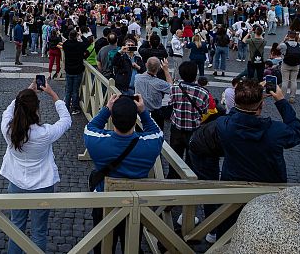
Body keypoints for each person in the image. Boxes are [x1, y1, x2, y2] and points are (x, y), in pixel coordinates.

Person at [84, 94, 164, 253]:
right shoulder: (150, 144)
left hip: (105, 202)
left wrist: (107, 108)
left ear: (112, 119)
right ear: (135, 121)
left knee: (102, 247)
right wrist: (143, 112)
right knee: (131, 245)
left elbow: (90, 127)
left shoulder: (97, 143)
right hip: (136, 203)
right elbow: (156, 131)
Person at [0, 81, 71, 254]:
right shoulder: (45, 133)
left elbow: (7, 112)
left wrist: (24, 93)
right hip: (42, 184)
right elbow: (66, 120)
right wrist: (53, 94)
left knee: (16, 228)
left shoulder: (9, 130)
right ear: (36, 110)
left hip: (16, 183)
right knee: (39, 231)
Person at [215, 79, 300, 183]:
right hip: (269, 183)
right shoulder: (277, 130)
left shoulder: (223, 124)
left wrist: (248, 95)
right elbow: (297, 133)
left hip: (232, 181)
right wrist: (281, 101)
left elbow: (233, 115)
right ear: (262, 105)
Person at [167, 61, 210, 177]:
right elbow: (205, 111)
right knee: (192, 160)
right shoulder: (203, 92)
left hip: (177, 127)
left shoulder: (174, 88)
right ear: (195, 75)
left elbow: (171, 103)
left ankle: (172, 179)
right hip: (193, 129)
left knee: (174, 158)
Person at [134, 56, 173, 129]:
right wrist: (166, 70)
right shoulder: (159, 83)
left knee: (140, 135)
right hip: (155, 114)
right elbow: (172, 88)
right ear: (159, 68)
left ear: (146, 65)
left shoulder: (137, 77)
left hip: (140, 111)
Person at [62, 30, 89, 114]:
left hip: (69, 69)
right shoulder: (80, 45)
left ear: (69, 36)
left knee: (68, 90)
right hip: (77, 70)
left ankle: (66, 106)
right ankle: (75, 108)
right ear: (76, 36)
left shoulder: (66, 44)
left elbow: (66, 42)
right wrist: (81, 37)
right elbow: (87, 44)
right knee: (75, 90)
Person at [279, 31, 300, 103]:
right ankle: (292, 97)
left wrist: (284, 40)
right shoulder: (299, 45)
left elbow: (277, 47)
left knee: (285, 81)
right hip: (295, 64)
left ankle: (282, 97)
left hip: (286, 64)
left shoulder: (284, 44)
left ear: (288, 36)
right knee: (293, 81)